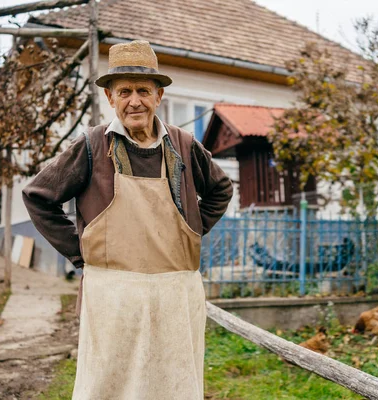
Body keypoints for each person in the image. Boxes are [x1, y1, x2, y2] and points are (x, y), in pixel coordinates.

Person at [22, 40, 232, 400]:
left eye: (143, 91)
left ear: (159, 95)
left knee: (174, 385)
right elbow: (38, 196)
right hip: (113, 296)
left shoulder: (184, 146)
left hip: (175, 294)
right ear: (110, 98)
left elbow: (221, 190)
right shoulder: (91, 146)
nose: (134, 100)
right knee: (109, 386)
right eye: (124, 92)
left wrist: (191, 232)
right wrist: (79, 251)